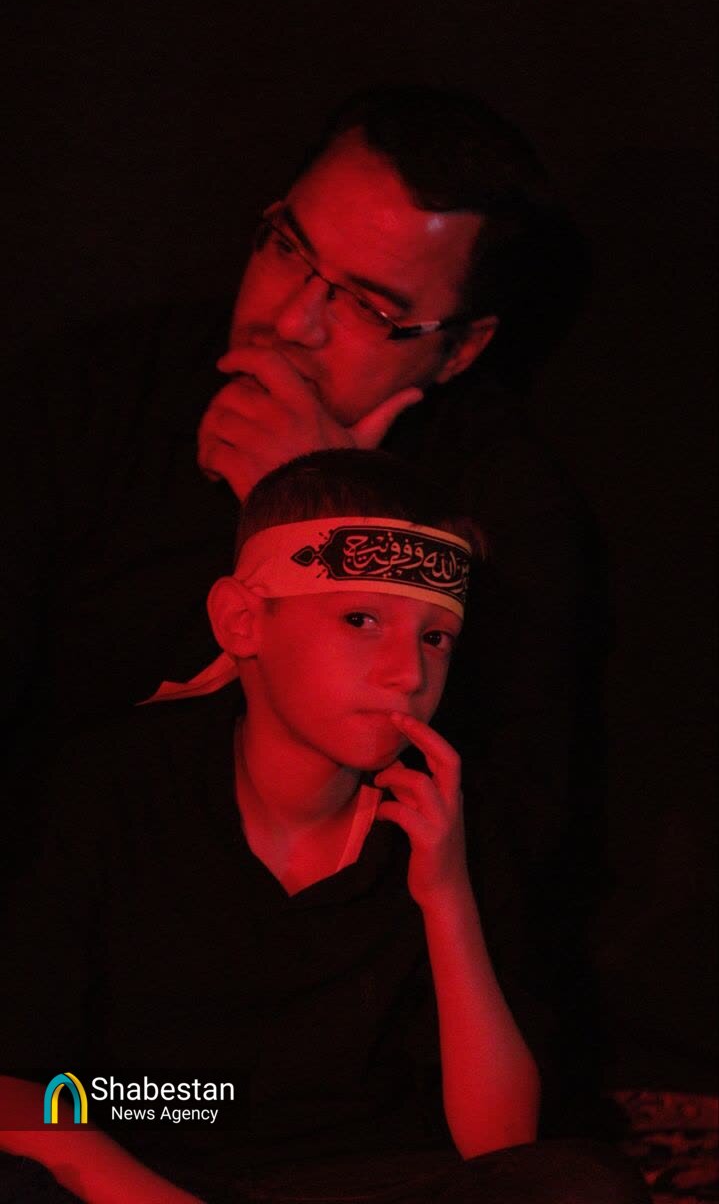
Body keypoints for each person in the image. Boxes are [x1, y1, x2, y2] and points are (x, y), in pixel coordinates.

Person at [3, 85, 603, 1128]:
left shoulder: (508, 506)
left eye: (369, 306)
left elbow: (513, 832)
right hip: (95, 1030)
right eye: (288, 248)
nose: (290, 319)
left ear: (459, 348)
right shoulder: (94, 397)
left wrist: (327, 517)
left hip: (345, 1055)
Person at [0, 450, 646, 1204]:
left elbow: (498, 1143)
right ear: (242, 620)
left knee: (585, 1185)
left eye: (435, 637)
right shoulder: (109, 785)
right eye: (361, 620)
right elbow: (15, 1084)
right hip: (146, 1166)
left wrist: (445, 895)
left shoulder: (445, 811)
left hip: (362, 1176)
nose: (407, 673)